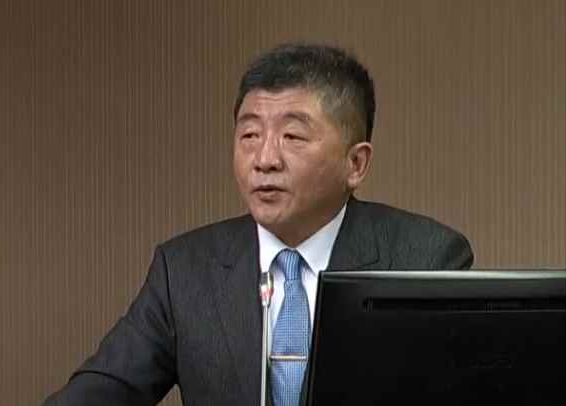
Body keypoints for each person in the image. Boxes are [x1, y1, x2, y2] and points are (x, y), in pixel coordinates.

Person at [44, 44, 473, 406]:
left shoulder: (425, 259)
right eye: (249, 135)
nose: (264, 159)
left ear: (355, 163)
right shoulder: (185, 270)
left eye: (292, 137)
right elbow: (100, 392)